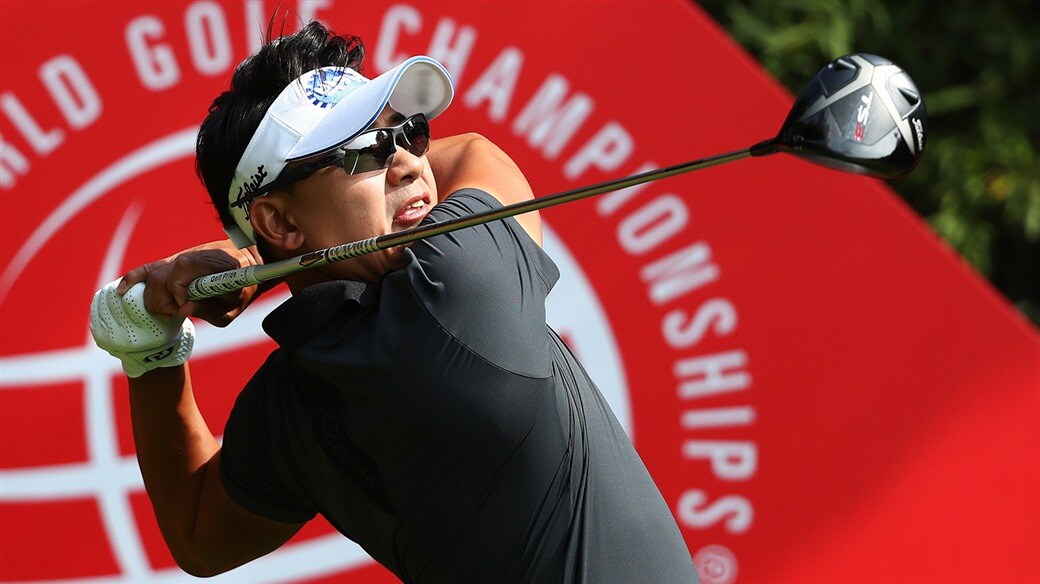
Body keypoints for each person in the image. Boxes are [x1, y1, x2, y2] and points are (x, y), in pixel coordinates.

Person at [89, 21, 699, 583]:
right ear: (280, 220)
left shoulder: (291, 402)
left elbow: (200, 533)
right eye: (366, 149)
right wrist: (253, 260)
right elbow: (477, 153)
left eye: (408, 133)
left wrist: (150, 352)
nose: (409, 163)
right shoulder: (456, 291)